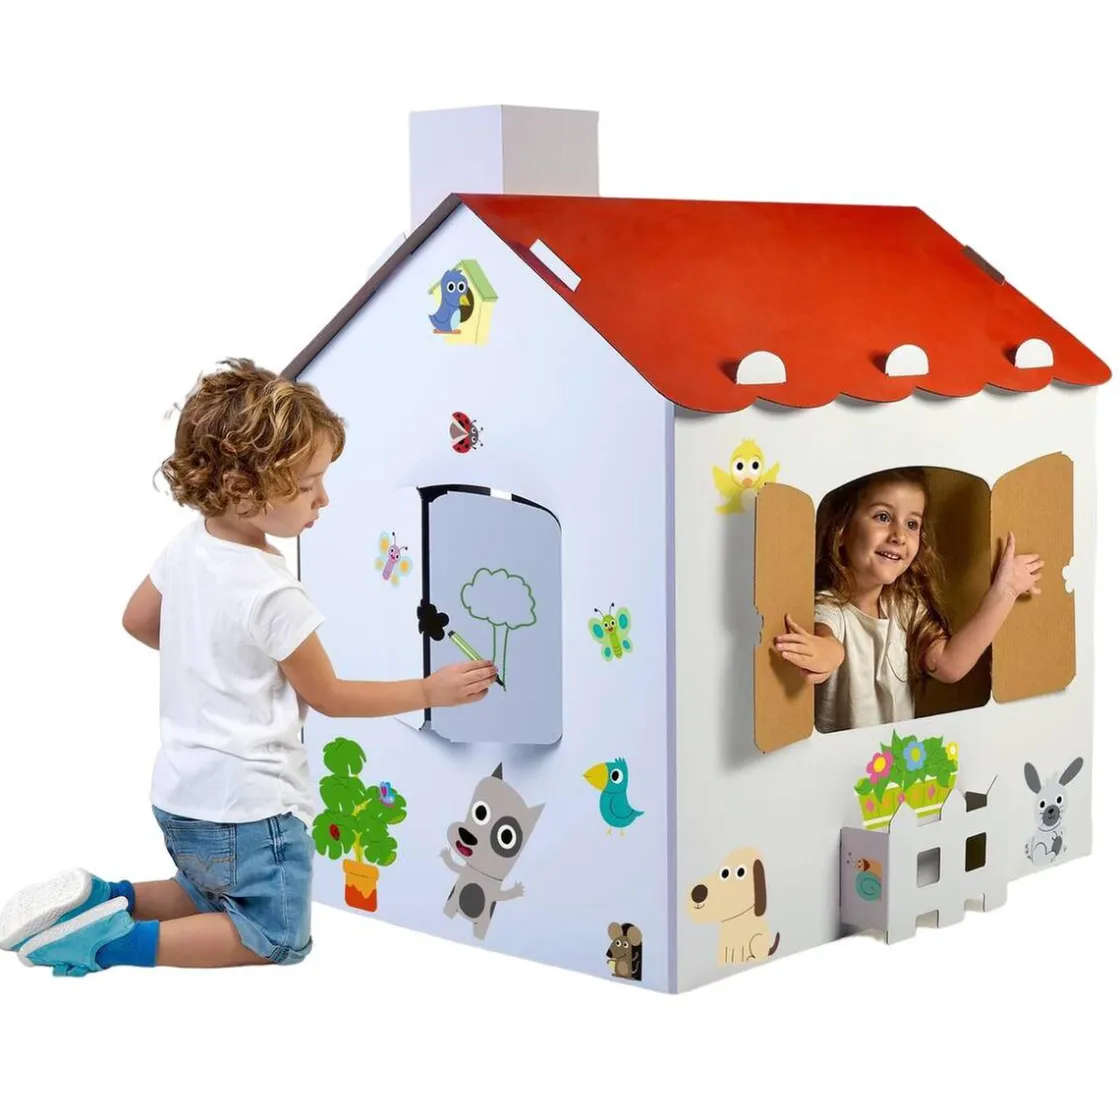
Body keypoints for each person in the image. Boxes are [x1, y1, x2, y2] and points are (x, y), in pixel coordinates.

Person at [0, 358, 497, 976]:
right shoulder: (271, 591)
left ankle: (102, 900)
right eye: (309, 485)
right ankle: (105, 946)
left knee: (205, 894)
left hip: (180, 795)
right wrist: (430, 690)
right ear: (244, 489)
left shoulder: (190, 544)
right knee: (274, 936)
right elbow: (331, 696)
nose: (323, 499)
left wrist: (211, 661)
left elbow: (138, 619)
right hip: (250, 809)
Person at [773, 466, 1043, 734]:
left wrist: (1005, 592)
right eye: (883, 517)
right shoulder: (829, 607)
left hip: (897, 757)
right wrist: (824, 655)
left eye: (912, 524)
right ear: (842, 530)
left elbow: (950, 665)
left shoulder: (905, 608)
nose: (899, 536)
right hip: (843, 758)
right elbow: (829, 643)